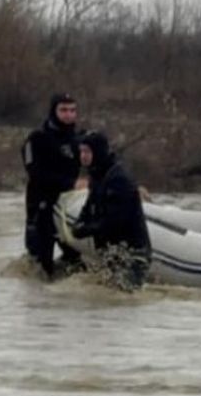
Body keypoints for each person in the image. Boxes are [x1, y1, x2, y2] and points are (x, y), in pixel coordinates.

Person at [71, 131, 151, 290]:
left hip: (132, 254)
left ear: (98, 152)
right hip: (112, 253)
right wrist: (78, 225)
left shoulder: (119, 180)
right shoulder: (97, 177)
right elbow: (88, 207)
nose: (83, 156)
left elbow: (114, 221)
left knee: (121, 295)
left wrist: (87, 229)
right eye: (81, 151)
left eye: (87, 151)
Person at [21, 93, 83, 278]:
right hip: (41, 207)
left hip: (69, 208)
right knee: (41, 265)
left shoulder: (79, 139)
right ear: (53, 111)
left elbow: (101, 162)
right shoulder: (37, 139)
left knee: (77, 261)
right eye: (63, 110)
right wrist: (71, 183)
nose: (68, 115)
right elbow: (35, 173)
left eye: (72, 110)